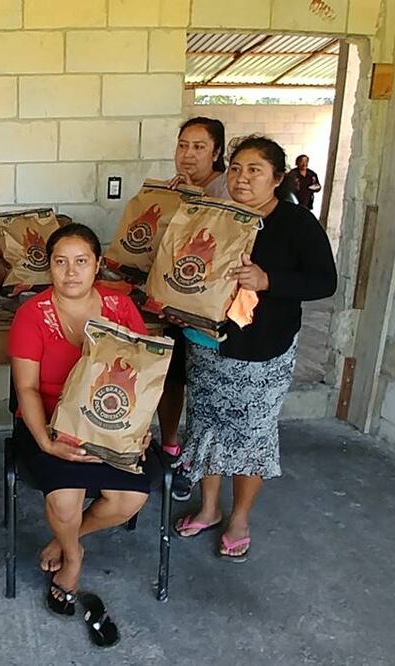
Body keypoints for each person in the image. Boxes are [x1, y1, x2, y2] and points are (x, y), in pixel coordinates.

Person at [174, 136, 337, 562]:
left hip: (263, 349)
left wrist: (270, 281)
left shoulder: (296, 224)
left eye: (254, 170)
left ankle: (239, 518)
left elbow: (325, 281)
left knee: (251, 435)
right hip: (208, 342)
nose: (242, 178)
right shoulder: (218, 216)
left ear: (277, 178)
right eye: (236, 169)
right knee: (206, 427)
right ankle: (209, 508)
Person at [9, 223, 151, 622]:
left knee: (129, 499)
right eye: (61, 262)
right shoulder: (31, 315)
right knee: (65, 497)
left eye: (81, 262)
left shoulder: (122, 309)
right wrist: (46, 441)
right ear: (49, 267)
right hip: (52, 422)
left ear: (98, 265)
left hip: (112, 423)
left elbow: (143, 374)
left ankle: (65, 538)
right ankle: (73, 557)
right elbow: (27, 388)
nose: (71, 272)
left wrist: (140, 429)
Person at [162, 116, 230, 500]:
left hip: (207, 313)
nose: (188, 154)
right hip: (174, 303)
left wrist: (193, 200)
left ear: (217, 152)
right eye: (183, 145)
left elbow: (219, 240)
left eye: (199, 147)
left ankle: (193, 461)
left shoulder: (226, 189)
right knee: (169, 377)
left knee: (203, 390)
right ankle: (170, 448)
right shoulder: (179, 188)